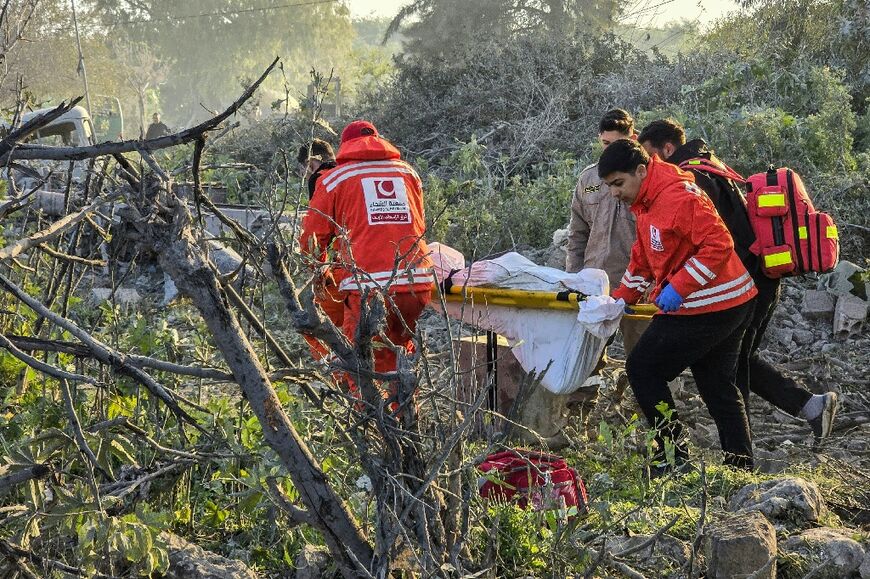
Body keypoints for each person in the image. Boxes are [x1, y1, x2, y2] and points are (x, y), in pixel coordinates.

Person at [638, 119, 839, 440]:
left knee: (726, 368)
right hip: (762, 276)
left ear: (668, 148)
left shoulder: (691, 179)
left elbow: (709, 243)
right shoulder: (711, 165)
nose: (647, 166)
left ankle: (741, 455)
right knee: (732, 360)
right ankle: (810, 407)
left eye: (650, 156)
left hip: (744, 284)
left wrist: (678, 284)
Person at [602, 139, 758, 472]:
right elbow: (643, 260)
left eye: (618, 184)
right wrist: (620, 300)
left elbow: (719, 243)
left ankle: (673, 458)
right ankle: (740, 466)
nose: (614, 193)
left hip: (713, 303)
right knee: (717, 385)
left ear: (641, 171)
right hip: (725, 299)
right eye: (610, 186)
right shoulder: (646, 202)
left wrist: (678, 287)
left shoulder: (677, 196)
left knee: (643, 369)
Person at [300, 120, 434, 406]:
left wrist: (319, 274)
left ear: (344, 147)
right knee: (400, 360)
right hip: (416, 285)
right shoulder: (408, 173)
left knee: (362, 369)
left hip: (369, 291)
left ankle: (375, 433)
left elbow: (311, 242)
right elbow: (417, 226)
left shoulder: (336, 178)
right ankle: (408, 431)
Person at [296, 138, 341, 360]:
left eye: (305, 172)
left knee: (314, 325)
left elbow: (312, 243)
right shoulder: (356, 176)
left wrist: (320, 276)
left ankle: (340, 379)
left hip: (359, 273)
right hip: (410, 274)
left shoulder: (326, 181)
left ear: (312, 165)